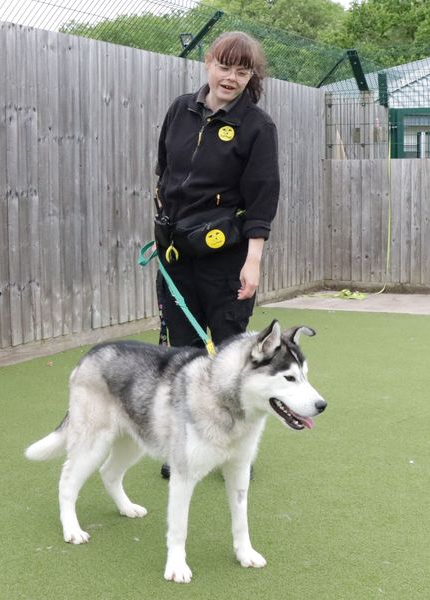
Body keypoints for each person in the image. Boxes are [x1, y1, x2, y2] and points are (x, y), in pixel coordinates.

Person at [153, 31, 280, 478]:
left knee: (230, 358)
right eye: (224, 66)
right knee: (180, 356)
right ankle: (182, 448)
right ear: (208, 62)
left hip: (227, 259)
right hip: (175, 255)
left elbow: (263, 199)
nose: (231, 77)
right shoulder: (179, 110)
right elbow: (164, 174)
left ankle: (230, 451)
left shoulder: (258, 127)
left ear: (250, 77)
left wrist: (253, 260)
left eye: (242, 71)